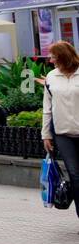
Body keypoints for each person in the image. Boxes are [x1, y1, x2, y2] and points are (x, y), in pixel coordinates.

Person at [42, 40, 79, 218]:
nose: (50, 60)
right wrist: (46, 135)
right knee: (75, 175)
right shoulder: (51, 77)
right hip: (63, 134)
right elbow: (47, 108)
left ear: (63, 56)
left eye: (53, 56)